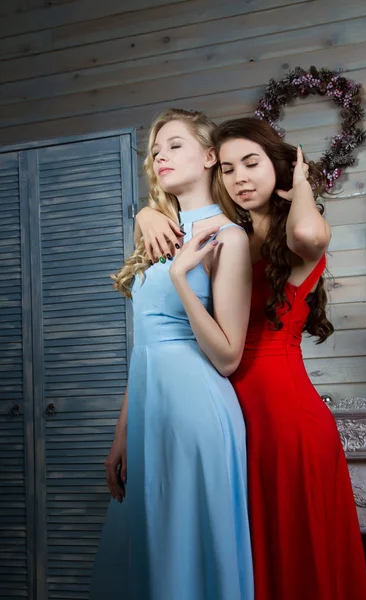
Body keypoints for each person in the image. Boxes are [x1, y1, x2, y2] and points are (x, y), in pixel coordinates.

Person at [136, 117, 366, 600]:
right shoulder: (228, 236)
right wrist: (147, 213)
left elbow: (308, 231)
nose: (240, 178)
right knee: (248, 560)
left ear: (278, 166)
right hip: (228, 410)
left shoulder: (297, 238)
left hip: (286, 420)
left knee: (296, 558)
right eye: (227, 169)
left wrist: (301, 182)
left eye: (252, 163)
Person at [89, 109, 254, 600]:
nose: (160, 154)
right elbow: (147, 343)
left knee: (183, 556)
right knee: (145, 556)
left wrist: (182, 278)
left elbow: (227, 357)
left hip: (194, 409)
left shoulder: (229, 237)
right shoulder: (157, 232)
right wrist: (122, 433)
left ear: (209, 157)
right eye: (156, 149)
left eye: (175, 144)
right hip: (147, 409)